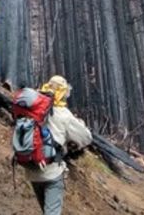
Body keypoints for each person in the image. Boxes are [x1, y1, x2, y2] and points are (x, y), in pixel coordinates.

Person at [23, 75, 93, 215]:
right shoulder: (63, 114)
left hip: (31, 169)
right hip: (52, 172)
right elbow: (86, 138)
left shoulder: (32, 109)